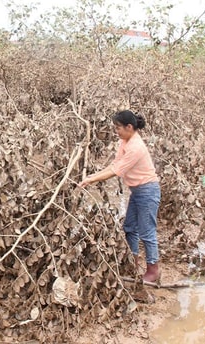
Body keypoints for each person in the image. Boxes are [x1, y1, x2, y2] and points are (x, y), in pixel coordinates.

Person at [78, 110, 161, 282]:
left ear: (129, 127)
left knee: (147, 232)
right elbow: (114, 164)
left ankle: (153, 270)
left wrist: (91, 180)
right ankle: (132, 262)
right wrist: (91, 177)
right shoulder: (124, 141)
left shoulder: (136, 147)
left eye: (118, 128)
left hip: (147, 190)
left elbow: (117, 171)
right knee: (130, 228)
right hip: (137, 191)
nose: (116, 131)